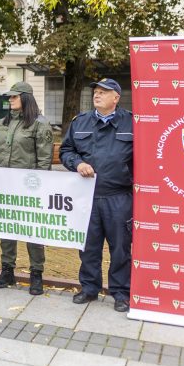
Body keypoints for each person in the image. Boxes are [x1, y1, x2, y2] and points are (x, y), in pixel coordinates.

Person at [59, 78, 134, 313]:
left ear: (116, 98)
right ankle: (89, 288)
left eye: (104, 92)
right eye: (96, 91)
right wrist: (77, 163)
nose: (97, 95)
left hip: (118, 196)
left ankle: (121, 292)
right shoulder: (80, 121)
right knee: (88, 245)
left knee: (120, 247)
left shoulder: (132, 123)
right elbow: (66, 150)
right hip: (87, 196)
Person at [0, 81, 53, 295]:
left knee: (32, 231)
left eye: (14, 97)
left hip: (28, 188)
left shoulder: (39, 124)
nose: (10, 100)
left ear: (26, 98)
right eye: (9, 97)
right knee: (7, 228)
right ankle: (7, 270)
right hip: (4, 185)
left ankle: (36, 273)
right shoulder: (3, 122)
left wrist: (37, 188)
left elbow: (44, 162)